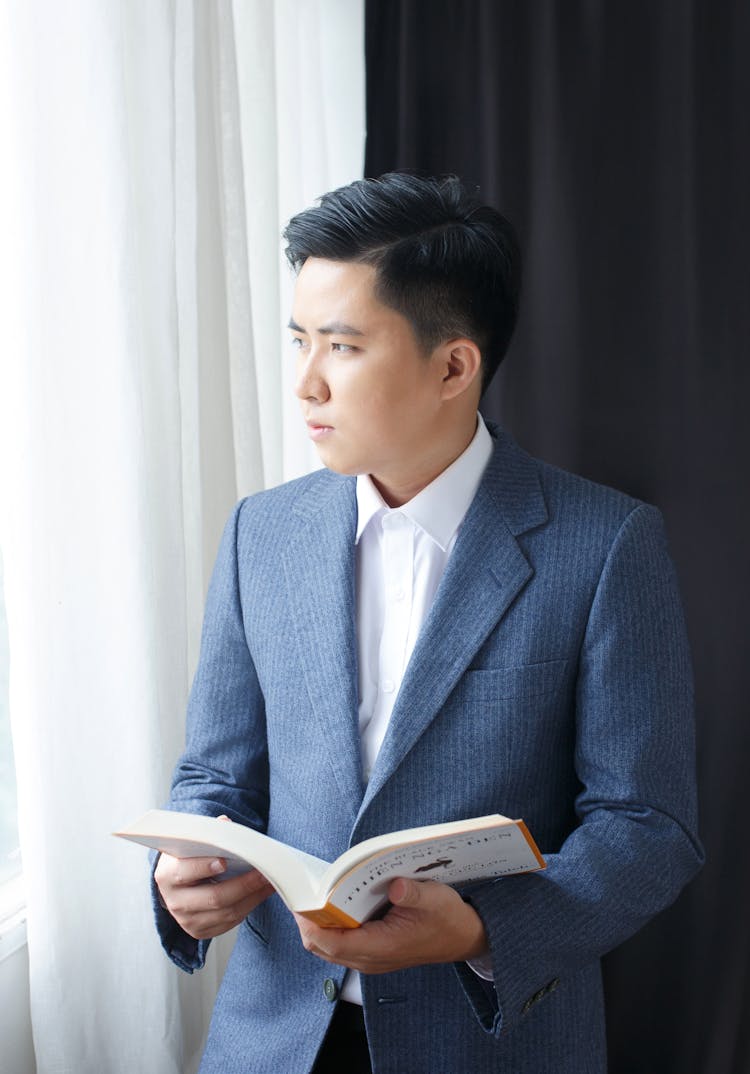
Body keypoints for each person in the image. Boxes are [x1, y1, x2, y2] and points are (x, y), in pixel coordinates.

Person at [152, 173, 703, 1074]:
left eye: (342, 345)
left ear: (453, 366)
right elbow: (215, 773)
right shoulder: (264, 532)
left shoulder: (606, 546)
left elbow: (648, 823)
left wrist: (481, 928)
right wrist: (184, 874)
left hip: (490, 1039)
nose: (306, 382)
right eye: (298, 340)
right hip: (277, 1037)